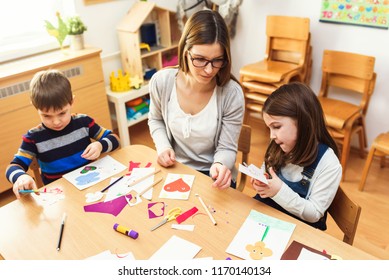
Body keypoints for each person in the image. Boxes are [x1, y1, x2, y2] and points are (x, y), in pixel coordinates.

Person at [148, 9, 244, 189]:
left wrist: (220, 165)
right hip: (175, 168)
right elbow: (156, 119)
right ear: (185, 51)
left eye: (217, 60)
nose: (209, 70)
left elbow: (227, 148)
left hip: (212, 177)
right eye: (200, 59)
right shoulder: (162, 82)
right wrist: (163, 147)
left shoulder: (231, 94)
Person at [5, 69, 120, 199]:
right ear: (36, 108)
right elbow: (13, 166)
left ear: (72, 102)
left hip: (93, 187)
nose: (56, 122)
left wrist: (100, 145)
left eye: (62, 113)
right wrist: (20, 177)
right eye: (46, 116)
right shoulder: (33, 138)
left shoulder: (84, 122)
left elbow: (115, 139)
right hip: (60, 196)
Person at [251, 82, 342, 230]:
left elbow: (314, 213)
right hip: (266, 218)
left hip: (299, 231)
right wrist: (262, 181)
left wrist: (279, 191)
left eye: (276, 127)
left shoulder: (329, 164)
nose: (271, 136)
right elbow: (266, 169)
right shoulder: (278, 144)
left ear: (303, 122)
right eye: (269, 128)